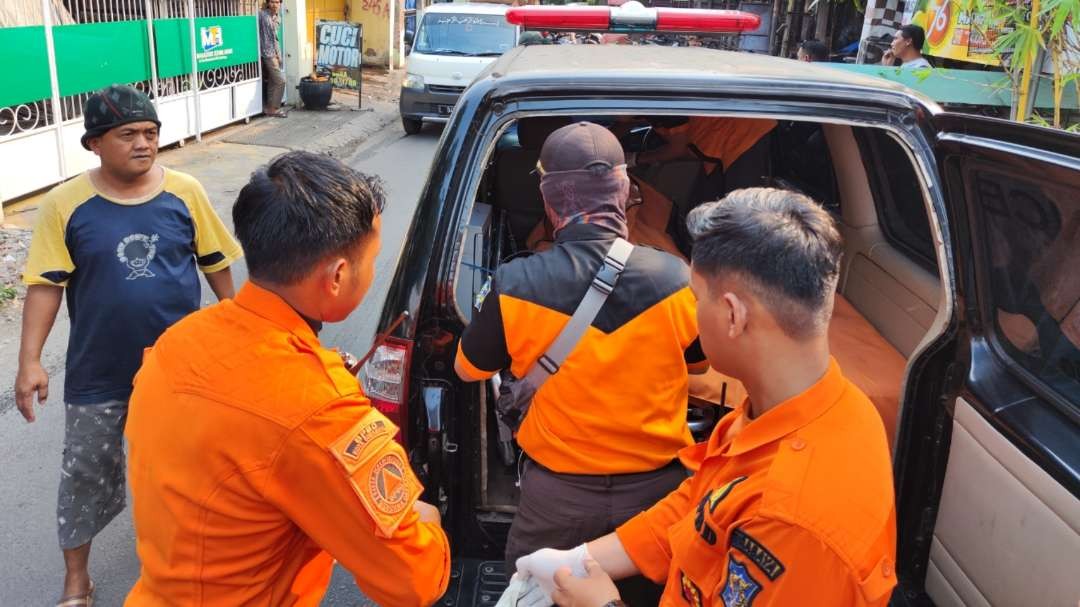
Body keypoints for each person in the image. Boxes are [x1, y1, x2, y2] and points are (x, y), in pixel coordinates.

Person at [515, 188, 898, 607]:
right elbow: (700, 502)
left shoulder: (794, 523)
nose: (694, 313)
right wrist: (581, 559)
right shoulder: (790, 410)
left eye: (698, 299)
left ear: (733, 315)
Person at [124, 151, 451, 606]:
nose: (373, 270)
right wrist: (427, 519)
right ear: (337, 276)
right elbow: (413, 580)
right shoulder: (320, 410)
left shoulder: (179, 340)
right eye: (373, 259)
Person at [455, 122, 710, 602]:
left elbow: (468, 369)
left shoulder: (516, 283)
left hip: (557, 501)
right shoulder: (677, 279)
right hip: (658, 501)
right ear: (626, 194)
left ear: (551, 204)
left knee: (538, 595)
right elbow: (697, 367)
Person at [15, 84, 241, 606]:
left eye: (151, 133)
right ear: (94, 142)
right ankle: (77, 578)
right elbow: (46, 285)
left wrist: (238, 330)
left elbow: (215, 265)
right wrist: (29, 361)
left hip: (178, 371)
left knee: (183, 472)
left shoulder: (185, 192)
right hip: (98, 371)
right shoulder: (65, 204)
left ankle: (183, 567)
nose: (144, 143)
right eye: (128, 134)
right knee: (85, 472)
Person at [628, 116, 777, 207]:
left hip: (743, 136)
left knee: (740, 205)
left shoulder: (662, 106)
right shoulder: (630, 106)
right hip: (713, 145)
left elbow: (677, 150)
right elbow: (621, 125)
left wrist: (636, 159)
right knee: (704, 203)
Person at [260, 0, 287, 117]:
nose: (275, 5)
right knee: (281, 81)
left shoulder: (277, 17)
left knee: (272, 81)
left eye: (277, 2)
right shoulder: (263, 16)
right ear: (268, 3)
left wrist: (279, 55)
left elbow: (275, 39)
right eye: (272, 2)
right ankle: (275, 107)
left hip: (274, 53)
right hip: (267, 53)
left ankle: (270, 108)